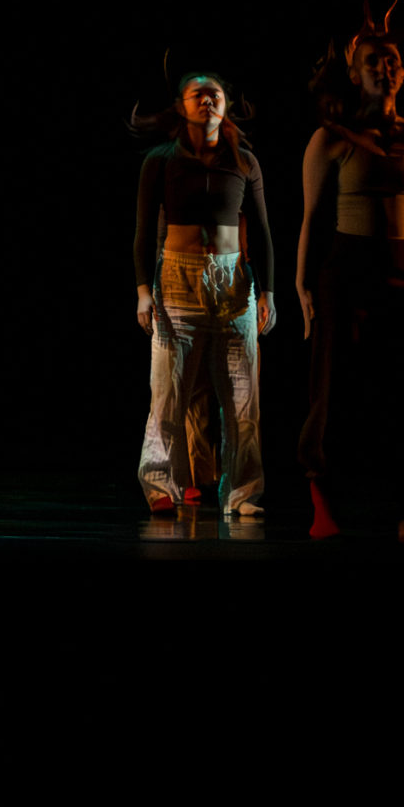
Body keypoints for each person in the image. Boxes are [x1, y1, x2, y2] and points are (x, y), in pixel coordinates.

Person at [295, 0, 404, 542]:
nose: (385, 70)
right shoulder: (331, 140)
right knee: (335, 387)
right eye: (373, 63)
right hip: (346, 268)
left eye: (392, 63)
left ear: (403, 73)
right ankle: (324, 499)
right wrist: (301, 285)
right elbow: (311, 219)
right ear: (354, 74)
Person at [131, 70, 275, 518]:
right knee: (168, 393)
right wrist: (142, 292)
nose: (207, 100)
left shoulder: (245, 161)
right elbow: (140, 233)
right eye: (198, 95)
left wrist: (267, 291)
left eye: (214, 94)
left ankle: (243, 493)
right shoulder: (160, 159)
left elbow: (265, 232)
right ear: (181, 106)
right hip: (178, 278)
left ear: (226, 105)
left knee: (242, 397)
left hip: (234, 284)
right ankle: (160, 485)